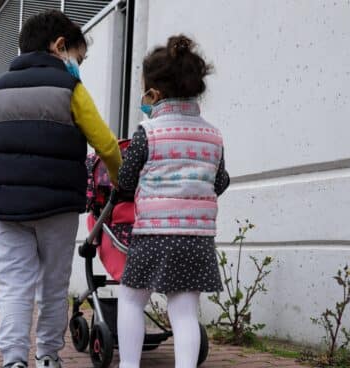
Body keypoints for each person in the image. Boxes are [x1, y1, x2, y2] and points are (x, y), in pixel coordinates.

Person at [0, 10, 121, 368]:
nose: (78, 66)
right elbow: (106, 145)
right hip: (58, 209)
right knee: (53, 287)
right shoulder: (70, 88)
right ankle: (48, 357)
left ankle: (13, 360)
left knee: (13, 286)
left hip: (7, 210)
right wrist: (121, 182)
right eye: (78, 58)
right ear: (59, 47)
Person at [116, 35, 230, 368]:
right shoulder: (213, 135)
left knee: (131, 300)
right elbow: (219, 181)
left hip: (153, 235)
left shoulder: (147, 132)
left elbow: (125, 181)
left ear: (154, 93)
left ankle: (129, 366)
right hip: (196, 239)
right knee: (184, 312)